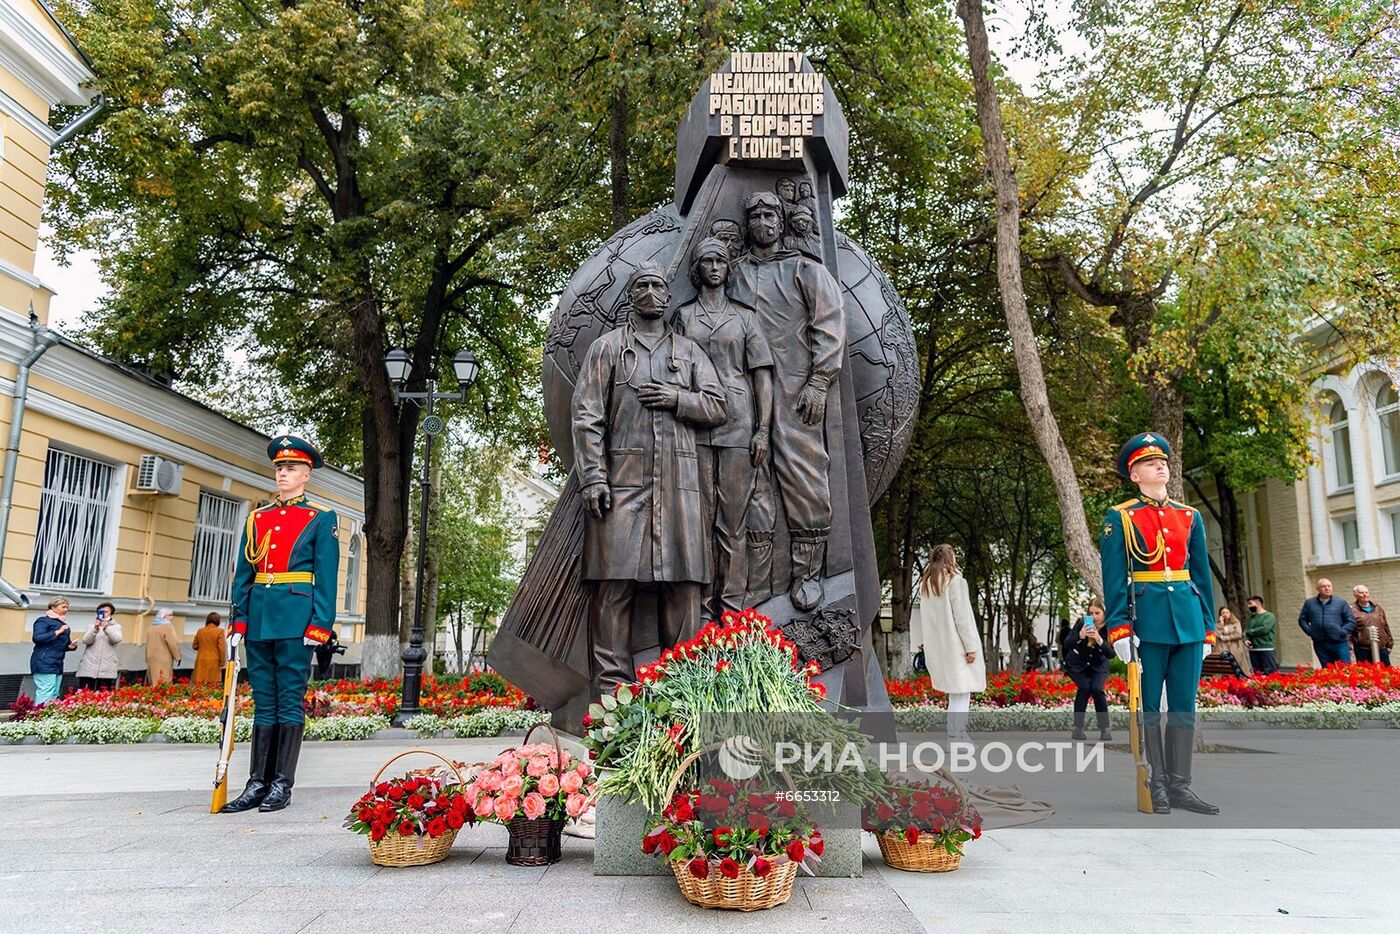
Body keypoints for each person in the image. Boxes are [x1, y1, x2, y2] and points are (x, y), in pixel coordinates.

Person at [572, 263, 727, 691]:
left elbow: (718, 406)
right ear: (630, 295)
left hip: (678, 484)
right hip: (622, 481)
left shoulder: (690, 352)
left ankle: (682, 689)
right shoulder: (607, 349)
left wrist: (678, 398)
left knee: (682, 586)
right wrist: (593, 476)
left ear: (668, 296)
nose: (651, 292)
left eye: (658, 285)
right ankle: (610, 694)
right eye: (642, 285)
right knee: (612, 584)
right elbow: (587, 416)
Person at [729, 191, 845, 610]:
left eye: (770, 214)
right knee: (745, 478)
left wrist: (819, 381)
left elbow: (829, 326)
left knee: (804, 475)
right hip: (739, 389)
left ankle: (806, 573)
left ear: (781, 222)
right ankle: (747, 582)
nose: (763, 221)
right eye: (755, 214)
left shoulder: (805, 270)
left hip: (796, 388)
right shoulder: (733, 272)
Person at [222, 435, 340, 814]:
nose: (283, 473)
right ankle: (256, 782)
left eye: (290, 468)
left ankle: (281, 784)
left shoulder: (321, 518)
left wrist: (320, 624)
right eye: (279, 468)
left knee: (289, 701)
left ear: (306, 475)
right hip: (258, 617)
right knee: (263, 701)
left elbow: (326, 574)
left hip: (295, 619)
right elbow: (244, 573)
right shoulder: (258, 518)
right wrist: (239, 619)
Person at [1101, 432, 1218, 815]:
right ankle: (1157, 783)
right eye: (1150, 463)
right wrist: (1119, 628)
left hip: (1187, 621)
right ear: (1135, 475)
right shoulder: (1121, 517)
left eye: (1163, 461)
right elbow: (1115, 577)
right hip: (1147, 622)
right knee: (1149, 707)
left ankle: (1181, 786)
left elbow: (1200, 575)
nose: (1160, 465)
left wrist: (1207, 627)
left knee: (1183, 706)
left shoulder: (1189, 516)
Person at [673, 237, 774, 618]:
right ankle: (699, 612)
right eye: (707, 261)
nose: (714, 266)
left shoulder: (746, 318)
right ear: (697, 270)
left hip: (738, 424)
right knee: (698, 521)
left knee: (732, 524)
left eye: (720, 260)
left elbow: (762, 376)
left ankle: (730, 611)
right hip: (694, 427)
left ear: (728, 269)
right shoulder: (683, 317)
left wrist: (762, 429)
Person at [911, 544, 985, 742]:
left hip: (941, 647)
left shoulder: (927, 585)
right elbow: (962, 618)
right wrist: (971, 647)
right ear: (950, 559)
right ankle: (956, 735)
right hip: (958, 647)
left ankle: (959, 734)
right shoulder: (955, 582)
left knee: (956, 692)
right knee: (961, 693)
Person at [1064, 598, 1115, 741]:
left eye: (1097, 613)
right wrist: (1080, 636)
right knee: (1085, 688)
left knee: (1097, 689)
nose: (1093, 617)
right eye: (1090, 613)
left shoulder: (1110, 627)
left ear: (1105, 613)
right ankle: (1078, 728)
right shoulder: (1082, 623)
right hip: (1077, 664)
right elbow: (1067, 644)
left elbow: (1111, 654)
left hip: (1098, 665)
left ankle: (1105, 729)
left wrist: (1099, 639)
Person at [1297, 578, 1357, 666]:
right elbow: (1302, 620)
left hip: (1339, 642)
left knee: (1345, 669)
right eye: (1323, 586)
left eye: (1329, 586)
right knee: (1327, 671)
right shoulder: (1310, 603)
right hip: (1320, 643)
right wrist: (1311, 631)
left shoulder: (1340, 602)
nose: (1327, 588)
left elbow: (1351, 621)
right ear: (1318, 589)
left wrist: (1341, 632)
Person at [29, 596, 75, 704]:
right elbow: (38, 638)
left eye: (67, 607)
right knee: (46, 691)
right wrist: (57, 632)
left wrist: (70, 646)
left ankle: (49, 717)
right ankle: (39, 716)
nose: (66, 610)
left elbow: (60, 644)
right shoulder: (43, 621)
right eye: (63, 607)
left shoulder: (63, 624)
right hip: (43, 661)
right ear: (53, 607)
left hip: (57, 663)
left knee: (55, 692)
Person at [76, 601, 122, 690]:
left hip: (106, 667)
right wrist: (95, 628)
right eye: (101, 612)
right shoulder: (91, 626)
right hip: (89, 666)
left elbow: (116, 639)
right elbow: (86, 640)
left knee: (102, 696)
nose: (104, 614)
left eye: (106, 612)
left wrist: (106, 628)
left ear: (111, 614)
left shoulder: (116, 627)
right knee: (85, 694)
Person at [1350, 585, 1392, 666]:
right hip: (1363, 650)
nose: (1365, 594)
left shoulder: (1377, 608)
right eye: (1361, 593)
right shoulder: (1351, 611)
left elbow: (1385, 626)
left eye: (1366, 592)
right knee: (1367, 675)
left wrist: (1390, 644)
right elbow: (1349, 631)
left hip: (1381, 648)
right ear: (1355, 595)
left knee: (1386, 673)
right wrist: (1350, 646)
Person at [145, 608, 182, 686]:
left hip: (151, 658)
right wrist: (178, 657)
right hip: (163, 659)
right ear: (163, 616)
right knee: (163, 681)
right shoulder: (167, 627)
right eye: (169, 615)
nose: (172, 617)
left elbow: (147, 644)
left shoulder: (151, 627)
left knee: (154, 681)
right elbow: (173, 643)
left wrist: (146, 658)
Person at [1244, 595, 1279, 674]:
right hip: (1253, 649)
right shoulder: (1251, 618)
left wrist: (1250, 631)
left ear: (1257, 603)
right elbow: (1246, 631)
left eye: (1250, 604)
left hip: (1266, 648)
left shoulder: (1269, 616)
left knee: (1270, 673)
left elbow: (1265, 629)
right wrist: (1246, 639)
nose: (1248, 606)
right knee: (1257, 673)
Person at [192, 612, 226, 685]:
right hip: (214, 661)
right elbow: (221, 648)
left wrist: (203, 647)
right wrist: (222, 662)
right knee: (212, 685)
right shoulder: (219, 631)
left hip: (200, 659)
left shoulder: (200, 631)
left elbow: (194, 645)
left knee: (199, 684)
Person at [1214, 606, 1250, 673]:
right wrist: (1221, 625)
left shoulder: (1236, 623)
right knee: (1224, 666)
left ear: (1230, 614)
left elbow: (1238, 634)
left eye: (1227, 612)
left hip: (1235, 647)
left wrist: (1227, 637)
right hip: (1222, 647)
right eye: (1223, 613)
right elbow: (1217, 634)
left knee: (1238, 664)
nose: (1225, 614)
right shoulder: (1217, 625)